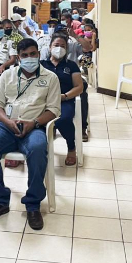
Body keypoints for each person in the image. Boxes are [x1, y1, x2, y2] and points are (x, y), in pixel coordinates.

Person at [0, 38, 61, 230]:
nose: (29, 58)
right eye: (24, 55)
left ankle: (33, 205)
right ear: (18, 57)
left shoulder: (50, 78)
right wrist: (8, 122)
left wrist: (34, 123)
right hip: (7, 126)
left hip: (35, 126)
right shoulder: (7, 75)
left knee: (38, 149)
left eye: (33, 54)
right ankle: (0, 201)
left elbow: (54, 110)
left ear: (38, 54)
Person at [41, 35, 85, 165]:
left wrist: (64, 96)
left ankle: (71, 147)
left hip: (64, 100)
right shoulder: (41, 64)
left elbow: (79, 87)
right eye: (56, 45)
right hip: (42, 101)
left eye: (63, 46)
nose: (59, 48)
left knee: (63, 119)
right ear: (50, 47)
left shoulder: (71, 65)